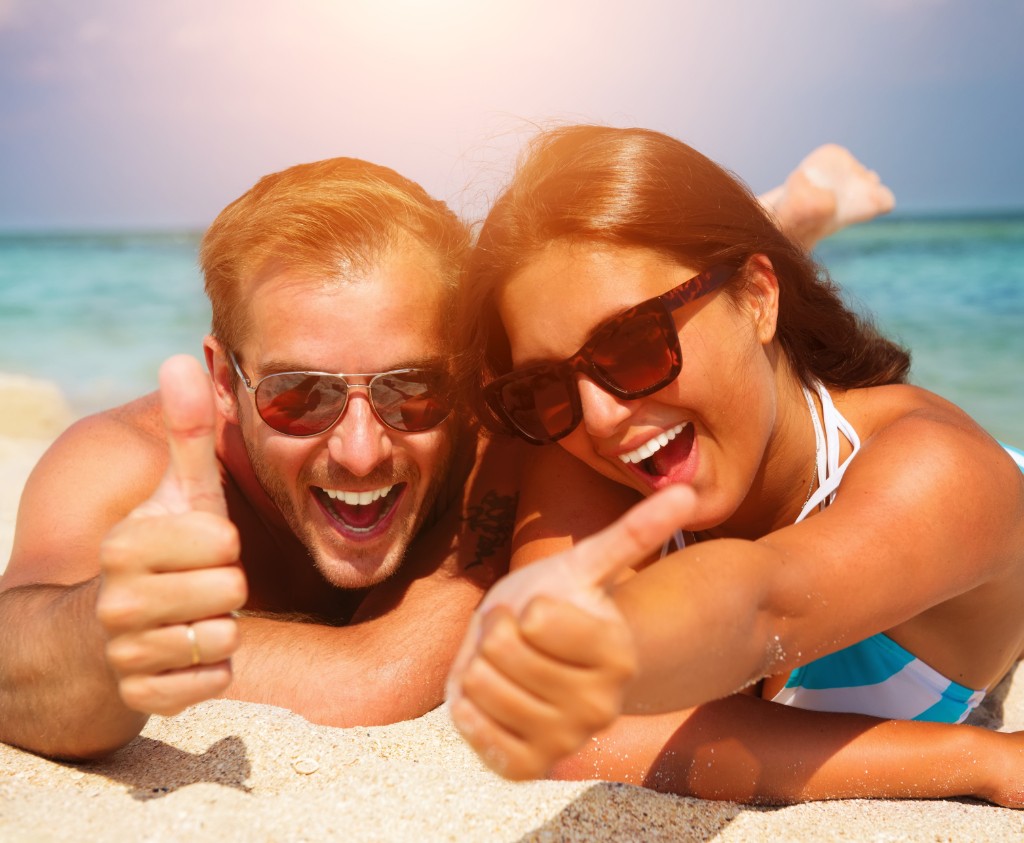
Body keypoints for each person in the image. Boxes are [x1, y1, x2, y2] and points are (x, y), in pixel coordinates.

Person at [0, 143, 905, 776]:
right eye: (297, 394)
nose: (360, 449)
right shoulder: (123, 462)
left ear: (467, 379)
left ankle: (786, 218)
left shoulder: (516, 424)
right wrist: (99, 635)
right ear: (222, 379)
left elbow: (380, 674)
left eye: (410, 389)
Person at [447, 125, 1024, 805]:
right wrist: (976, 758)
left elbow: (764, 609)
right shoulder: (579, 427)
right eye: (543, 386)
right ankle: (783, 224)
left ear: (756, 296)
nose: (599, 417)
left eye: (632, 340)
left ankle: (786, 224)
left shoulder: (941, 473)